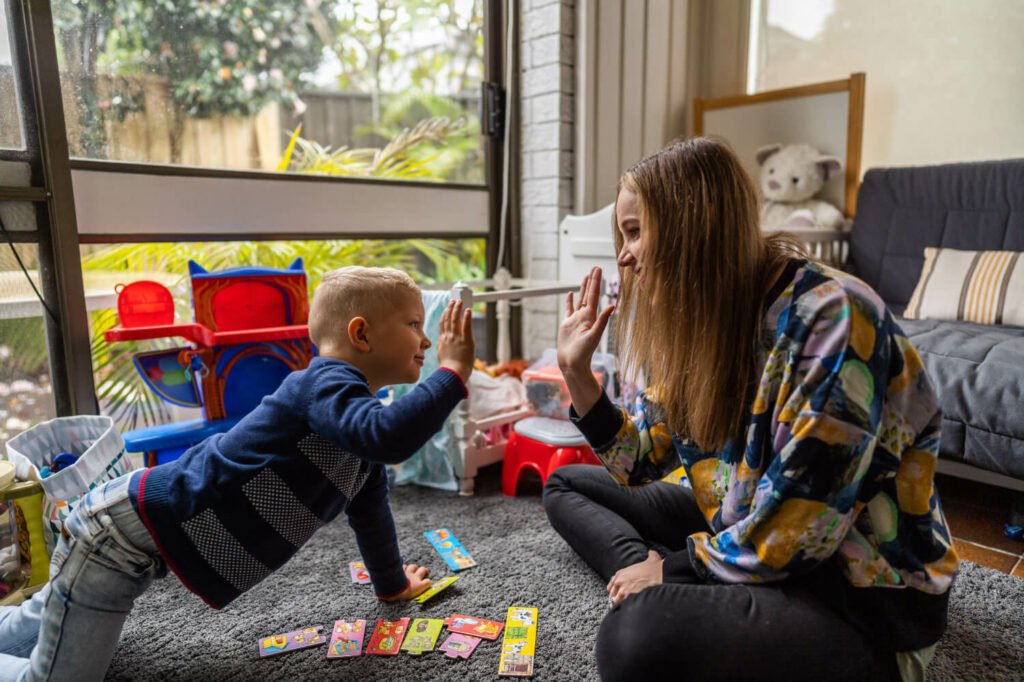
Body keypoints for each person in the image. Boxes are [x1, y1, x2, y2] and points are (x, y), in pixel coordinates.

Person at [543, 137, 958, 682]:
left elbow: (797, 532)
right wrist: (577, 373)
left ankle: (665, 583)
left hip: (857, 596)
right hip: (748, 522)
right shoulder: (700, 324)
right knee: (565, 484)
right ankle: (652, 577)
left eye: (636, 231)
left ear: (702, 219)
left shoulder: (833, 317)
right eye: (623, 235)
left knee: (632, 638)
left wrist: (672, 566)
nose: (624, 255)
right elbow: (636, 462)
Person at [0, 265, 475, 681]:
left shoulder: (355, 430)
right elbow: (389, 435)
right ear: (362, 334)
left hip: (134, 540)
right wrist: (451, 372)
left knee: (30, 627)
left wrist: (391, 586)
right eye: (414, 324)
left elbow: (371, 514)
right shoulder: (322, 384)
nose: (428, 340)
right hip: (115, 540)